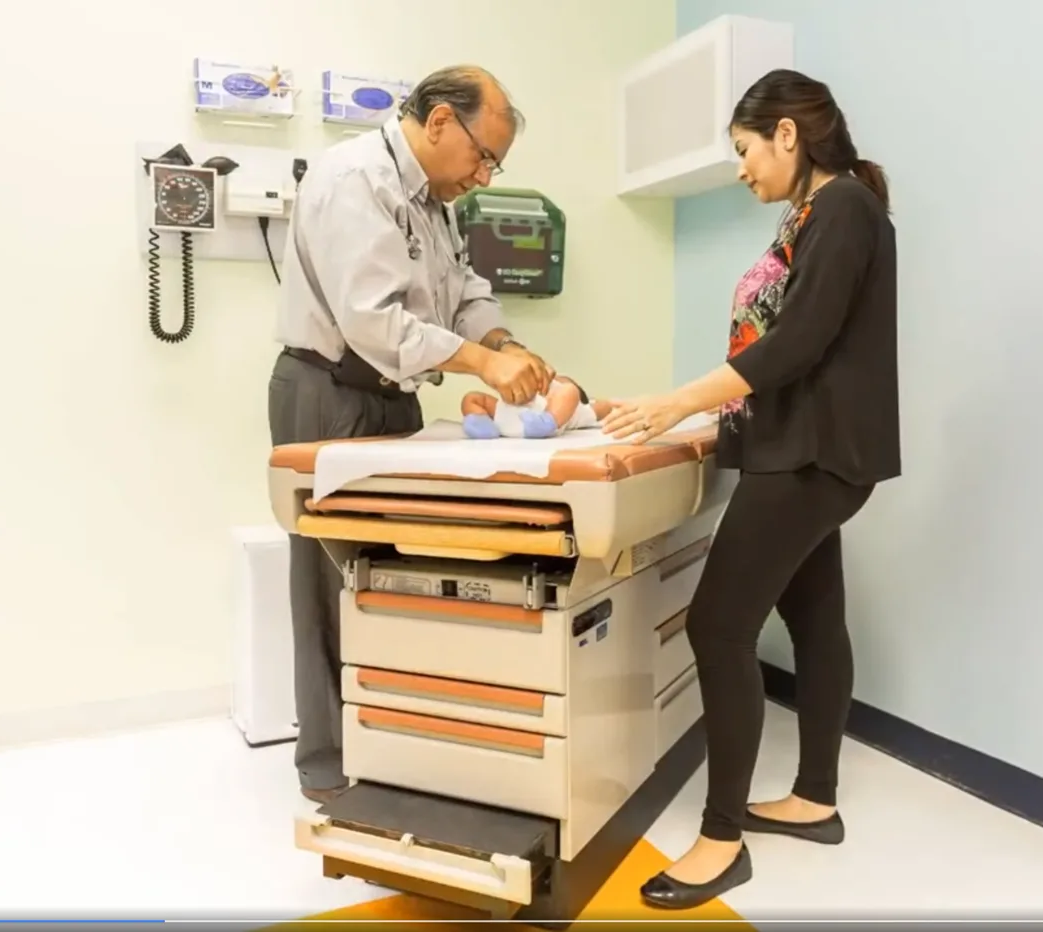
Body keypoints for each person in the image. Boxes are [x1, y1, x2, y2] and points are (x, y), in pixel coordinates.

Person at [600, 69, 900, 908]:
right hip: (801, 449)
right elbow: (788, 346)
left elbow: (797, 342)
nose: (741, 169)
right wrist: (689, 411)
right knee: (814, 619)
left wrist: (674, 403)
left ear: (788, 136)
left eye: (744, 150)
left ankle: (721, 840)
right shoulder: (812, 213)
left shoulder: (841, 208)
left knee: (718, 625)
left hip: (810, 457)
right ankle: (815, 800)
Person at [268, 64, 555, 804]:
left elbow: (462, 292)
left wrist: (504, 341)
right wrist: (483, 366)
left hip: (394, 400)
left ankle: (394, 739)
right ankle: (329, 764)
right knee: (328, 582)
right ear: (437, 123)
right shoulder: (352, 180)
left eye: (496, 162)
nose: (485, 175)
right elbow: (373, 321)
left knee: (387, 576)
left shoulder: (436, 204)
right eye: (483, 155)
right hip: (329, 393)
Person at [460, 376, 612, 439]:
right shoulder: (504, 412)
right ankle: (481, 424)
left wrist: (603, 404)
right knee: (472, 398)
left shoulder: (577, 413)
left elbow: (603, 406)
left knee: (569, 390)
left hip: (545, 414)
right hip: (509, 413)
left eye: (557, 380)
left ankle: (547, 422)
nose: (553, 380)